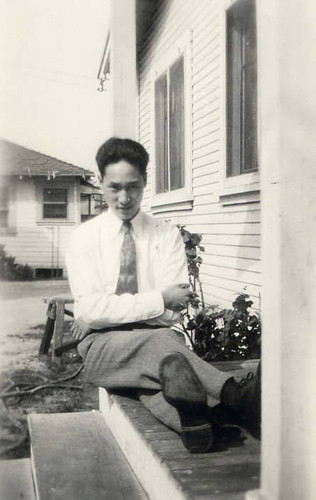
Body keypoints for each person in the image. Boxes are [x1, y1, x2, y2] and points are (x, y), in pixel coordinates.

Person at [66, 137, 260, 453]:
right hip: (102, 350)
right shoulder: (84, 239)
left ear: (145, 182)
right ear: (100, 181)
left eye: (133, 186)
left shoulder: (166, 235)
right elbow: (91, 311)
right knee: (163, 345)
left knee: (159, 376)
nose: (124, 198)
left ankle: (203, 425)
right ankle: (236, 398)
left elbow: (174, 311)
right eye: (114, 187)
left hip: (151, 345)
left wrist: (107, 313)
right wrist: (157, 299)